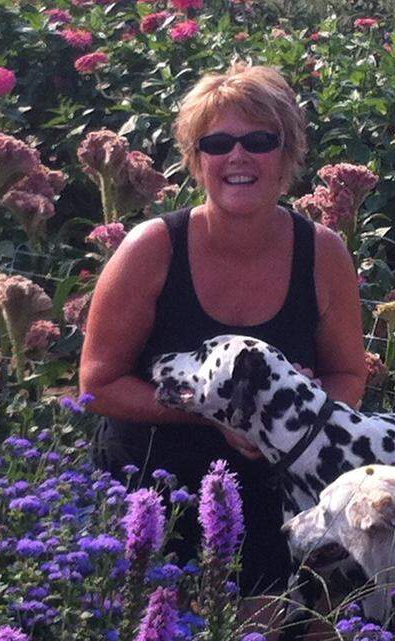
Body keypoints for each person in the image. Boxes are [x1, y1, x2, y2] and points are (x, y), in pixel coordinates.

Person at [79, 61, 366, 612]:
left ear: (286, 154)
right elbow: (98, 385)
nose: (238, 156)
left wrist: (298, 409)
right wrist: (217, 414)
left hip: (273, 495)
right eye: (217, 143)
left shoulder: (323, 253)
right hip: (153, 491)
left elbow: (348, 375)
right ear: (196, 159)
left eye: (259, 141)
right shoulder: (151, 249)